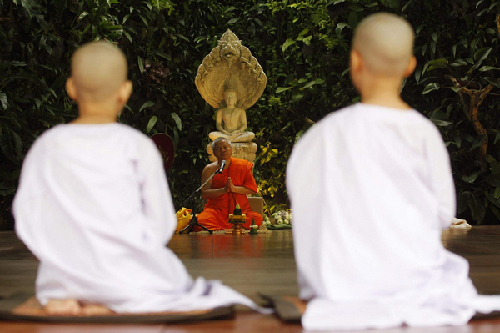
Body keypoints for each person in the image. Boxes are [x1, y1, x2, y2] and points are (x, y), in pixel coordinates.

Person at [13, 41, 265, 315]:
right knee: (168, 282)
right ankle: (118, 296)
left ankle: (69, 294)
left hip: (64, 277)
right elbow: (161, 224)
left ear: (71, 88)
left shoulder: (48, 146)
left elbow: (28, 221)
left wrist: (67, 259)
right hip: (126, 275)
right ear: (125, 91)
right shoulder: (137, 147)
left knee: (59, 283)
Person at [286, 13, 500, 331]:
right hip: (414, 278)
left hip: (344, 279)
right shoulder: (424, 133)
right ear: (410, 66)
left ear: (356, 62)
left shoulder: (324, 135)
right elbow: (444, 213)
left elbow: (303, 202)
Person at [196, 137, 263, 231]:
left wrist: (234, 189)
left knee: (257, 219)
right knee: (199, 222)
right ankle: (233, 226)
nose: (223, 150)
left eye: (225, 147)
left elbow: (252, 189)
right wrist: (223, 190)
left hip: (239, 211)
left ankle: (226, 227)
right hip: (216, 211)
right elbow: (205, 193)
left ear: (231, 149)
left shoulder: (242, 165)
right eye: (218, 148)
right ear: (214, 152)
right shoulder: (209, 169)